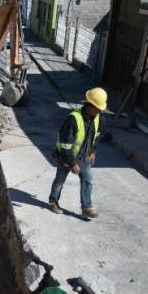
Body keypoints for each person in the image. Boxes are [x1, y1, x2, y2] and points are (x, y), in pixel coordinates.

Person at [48, 87, 107, 218]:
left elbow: (96, 136)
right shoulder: (73, 119)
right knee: (60, 180)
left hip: (84, 156)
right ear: (90, 106)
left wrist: (93, 151)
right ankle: (53, 202)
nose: (100, 111)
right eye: (98, 108)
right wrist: (72, 163)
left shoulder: (97, 118)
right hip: (66, 156)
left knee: (88, 180)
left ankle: (86, 207)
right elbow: (65, 145)